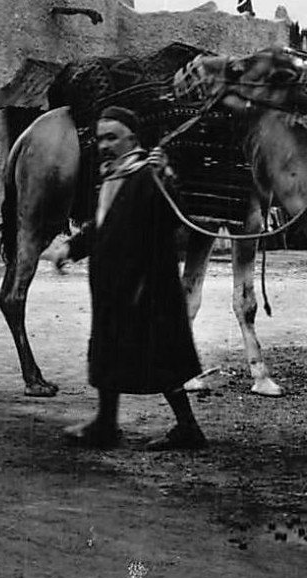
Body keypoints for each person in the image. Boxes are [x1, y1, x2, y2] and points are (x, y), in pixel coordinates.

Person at [50, 105, 207, 451]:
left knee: (163, 357)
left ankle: (187, 428)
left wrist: (167, 175)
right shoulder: (112, 175)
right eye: (100, 138)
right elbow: (102, 226)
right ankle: (106, 424)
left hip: (146, 286)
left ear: (132, 139)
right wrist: (71, 248)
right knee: (108, 349)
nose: (104, 144)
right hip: (112, 284)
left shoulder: (147, 175)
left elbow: (171, 220)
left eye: (112, 137)